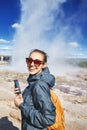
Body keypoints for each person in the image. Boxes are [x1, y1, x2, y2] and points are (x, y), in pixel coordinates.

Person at [14, 49, 56, 130]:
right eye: (29, 60)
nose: (32, 64)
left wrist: (21, 105)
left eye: (37, 62)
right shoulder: (34, 80)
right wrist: (22, 97)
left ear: (43, 65)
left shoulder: (39, 84)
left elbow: (48, 119)